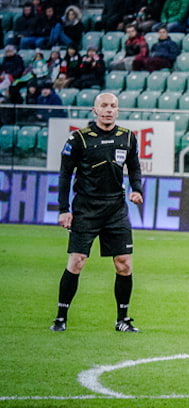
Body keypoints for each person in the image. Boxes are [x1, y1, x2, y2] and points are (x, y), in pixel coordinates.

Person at [51, 93, 143, 333]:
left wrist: (137, 190)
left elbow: (134, 167)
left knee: (124, 264)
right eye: (104, 105)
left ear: (118, 110)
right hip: (86, 208)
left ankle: (122, 319)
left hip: (116, 209)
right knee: (77, 261)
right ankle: (61, 317)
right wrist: (64, 209)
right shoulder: (78, 139)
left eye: (113, 106)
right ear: (94, 110)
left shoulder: (128, 137)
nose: (108, 110)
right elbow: (64, 175)